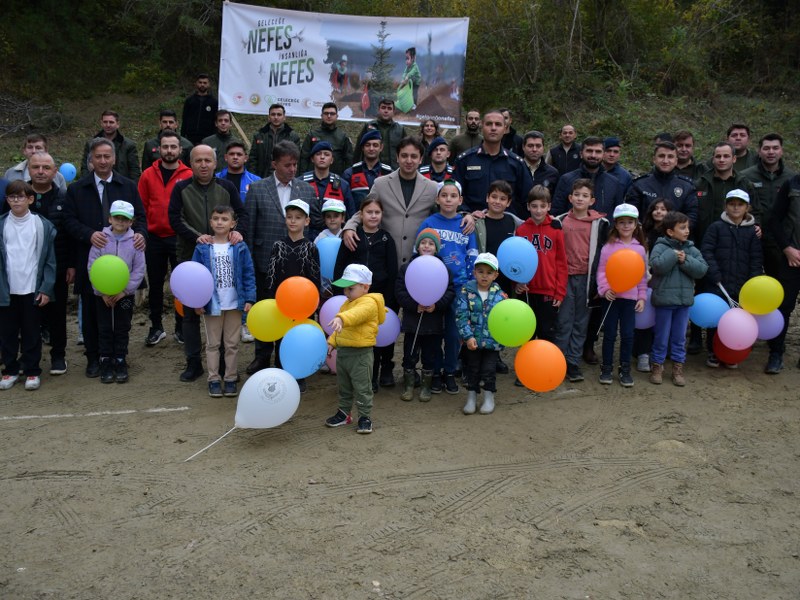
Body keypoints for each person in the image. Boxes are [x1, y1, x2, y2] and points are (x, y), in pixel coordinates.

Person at [64, 138, 147, 378]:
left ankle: (119, 358)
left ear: (114, 159)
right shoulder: (77, 189)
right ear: (90, 159)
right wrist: (89, 235)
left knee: (122, 321)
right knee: (92, 314)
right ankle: (95, 358)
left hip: (125, 265)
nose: (102, 161)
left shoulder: (128, 186)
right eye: (97, 157)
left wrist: (140, 235)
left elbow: (140, 217)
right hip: (91, 258)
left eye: (106, 156)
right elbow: (68, 221)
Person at [168, 145, 248, 382]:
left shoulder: (227, 187)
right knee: (191, 312)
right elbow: (174, 218)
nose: (203, 165)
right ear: (190, 163)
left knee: (222, 308)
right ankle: (193, 363)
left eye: (207, 160)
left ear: (215, 164)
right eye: (198, 160)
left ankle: (224, 364)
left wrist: (237, 233)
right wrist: (196, 236)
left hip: (224, 257)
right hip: (191, 257)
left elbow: (241, 214)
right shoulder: (181, 188)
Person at [242, 141, 319, 375]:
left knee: (295, 318)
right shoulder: (257, 189)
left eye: (295, 164)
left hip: (299, 271)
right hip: (267, 265)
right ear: (274, 164)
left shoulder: (306, 190)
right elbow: (250, 229)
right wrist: (253, 265)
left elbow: (313, 225)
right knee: (268, 311)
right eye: (287, 165)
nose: (292, 169)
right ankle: (262, 357)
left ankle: (290, 359)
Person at [417, 180, 478, 394]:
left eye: (453, 196)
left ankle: (450, 371)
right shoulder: (429, 224)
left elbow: (472, 255)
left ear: (460, 200)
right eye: (444, 195)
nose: (448, 199)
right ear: (437, 199)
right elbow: (419, 255)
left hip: (460, 287)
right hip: (434, 288)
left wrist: (472, 284)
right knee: (434, 333)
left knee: (454, 333)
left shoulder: (466, 224)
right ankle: (434, 372)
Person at [342, 137, 441, 268]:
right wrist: (350, 226)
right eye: (404, 156)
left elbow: (446, 212)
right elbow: (366, 209)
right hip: (386, 258)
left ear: (421, 159)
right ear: (397, 157)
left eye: (414, 156)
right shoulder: (381, 183)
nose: (409, 161)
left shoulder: (432, 187)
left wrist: (466, 215)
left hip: (418, 259)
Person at [333, 195, 398, 390]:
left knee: (381, 336)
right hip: (355, 298)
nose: (373, 216)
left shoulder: (387, 239)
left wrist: (389, 299)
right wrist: (340, 293)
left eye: (377, 212)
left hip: (378, 297)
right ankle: (366, 377)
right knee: (362, 337)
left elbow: (392, 270)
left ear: (382, 215)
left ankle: (384, 370)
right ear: (361, 214)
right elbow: (339, 266)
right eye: (369, 212)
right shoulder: (352, 236)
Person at [191, 205, 256, 397]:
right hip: (212, 304)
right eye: (216, 218)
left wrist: (250, 298)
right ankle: (213, 379)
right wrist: (197, 301)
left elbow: (248, 273)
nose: (220, 222)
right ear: (210, 222)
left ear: (233, 224)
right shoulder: (202, 248)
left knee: (232, 343)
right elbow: (194, 276)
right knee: (212, 344)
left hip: (235, 304)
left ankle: (230, 378)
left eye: (224, 219)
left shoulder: (239, 247)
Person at [137, 130, 193, 347]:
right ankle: (156, 326)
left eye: (173, 147)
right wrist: (141, 231)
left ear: (180, 149)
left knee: (181, 286)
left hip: (179, 238)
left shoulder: (188, 174)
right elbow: (141, 206)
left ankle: (181, 327)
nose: (169, 150)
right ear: (158, 149)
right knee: (156, 284)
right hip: (154, 238)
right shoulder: (147, 175)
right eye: (165, 146)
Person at [0, 181, 56, 391]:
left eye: (20, 196)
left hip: (31, 289)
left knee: (32, 332)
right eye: (11, 197)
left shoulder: (42, 226)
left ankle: (32, 371)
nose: (16, 201)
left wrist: (46, 288)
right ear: (7, 200)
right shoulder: (2, 224)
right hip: (6, 290)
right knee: (7, 333)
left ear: (30, 199)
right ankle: (10, 370)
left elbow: (50, 261)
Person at [20, 153, 73, 376]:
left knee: (57, 314)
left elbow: (70, 233)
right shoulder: (17, 197)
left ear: (54, 172)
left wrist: (72, 264)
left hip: (58, 267)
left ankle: (58, 355)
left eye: (46, 167)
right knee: (27, 315)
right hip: (24, 268)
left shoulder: (64, 198)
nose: (41, 171)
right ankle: (28, 357)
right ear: (29, 170)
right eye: (36, 167)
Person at [553, 179, 609, 382]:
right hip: (564, 278)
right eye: (577, 194)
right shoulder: (559, 221)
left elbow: (605, 254)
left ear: (592, 200)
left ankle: (573, 362)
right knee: (563, 321)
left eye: (585, 196)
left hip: (587, 280)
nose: (580, 198)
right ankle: (558, 362)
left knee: (581, 322)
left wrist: (600, 282)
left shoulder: (600, 224)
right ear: (570, 197)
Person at [700, 189, 762, 368]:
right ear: (726, 206)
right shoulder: (716, 227)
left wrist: (754, 281)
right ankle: (713, 351)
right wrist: (715, 273)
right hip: (718, 282)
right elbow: (707, 251)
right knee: (717, 318)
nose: (736, 208)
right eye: (732, 204)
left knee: (737, 320)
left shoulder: (752, 232)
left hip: (742, 284)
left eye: (740, 204)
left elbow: (756, 258)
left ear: (747, 207)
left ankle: (731, 353)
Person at [263, 199, 320, 391]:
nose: (293, 221)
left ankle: (300, 372)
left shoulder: (311, 247)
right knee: (282, 337)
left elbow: (315, 277)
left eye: (298, 217)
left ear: (307, 221)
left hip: (304, 304)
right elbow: (271, 274)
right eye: (289, 217)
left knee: (300, 337)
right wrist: (271, 298)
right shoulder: (278, 245)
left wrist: (314, 302)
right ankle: (281, 368)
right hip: (281, 303)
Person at [87, 200, 145, 384]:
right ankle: (105, 359)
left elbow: (139, 269)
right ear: (110, 218)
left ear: (131, 221)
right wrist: (101, 291)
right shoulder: (101, 240)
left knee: (122, 327)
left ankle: (120, 358)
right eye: (117, 218)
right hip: (101, 295)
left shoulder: (135, 242)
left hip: (124, 295)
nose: (120, 222)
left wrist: (125, 290)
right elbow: (92, 267)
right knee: (104, 327)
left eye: (125, 219)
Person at [324, 264, 387, 434]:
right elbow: (340, 329)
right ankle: (344, 413)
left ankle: (365, 417)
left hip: (361, 355)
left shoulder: (369, 303)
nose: (346, 292)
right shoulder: (346, 304)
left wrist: (341, 318)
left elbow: (356, 315)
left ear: (365, 287)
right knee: (344, 386)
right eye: (345, 289)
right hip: (344, 353)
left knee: (363, 388)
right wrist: (332, 342)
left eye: (350, 289)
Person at [648, 211, 708, 386]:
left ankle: (677, 367)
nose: (687, 231)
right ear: (670, 232)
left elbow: (702, 269)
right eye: (682, 228)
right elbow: (657, 266)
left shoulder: (691, 249)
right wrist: (673, 255)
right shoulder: (660, 247)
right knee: (661, 335)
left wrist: (686, 260)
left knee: (679, 337)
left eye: (687, 227)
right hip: (664, 301)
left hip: (683, 302)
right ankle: (657, 366)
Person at [395, 229, 455, 402]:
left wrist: (436, 306)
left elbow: (449, 293)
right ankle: (408, 385)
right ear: (417, 246)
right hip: (413, 322)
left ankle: (426, 386)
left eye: (430, 243)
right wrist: (415, 306)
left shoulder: (444, 270)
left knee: (431, 355)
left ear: (436, 248)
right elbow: (400, 292)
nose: (426, 246)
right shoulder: (407, 268)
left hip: (434, 323)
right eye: (423, 243)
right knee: (409, 354)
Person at [596, 203, 648, 386]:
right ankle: (607, 367)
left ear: (636, 225)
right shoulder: (608, 247)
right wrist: (604, 289)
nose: (626, 226)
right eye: (622, 222)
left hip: (630, 300)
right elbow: (601, 271)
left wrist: (642, 297)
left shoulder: (640, 249)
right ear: (616, 225)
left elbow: (642, 276)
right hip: (611, 299)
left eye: (630, 222)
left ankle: (625, 369)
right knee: (609, 334)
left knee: (627, 335)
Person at [514, 185, 567, 356]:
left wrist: (559, 292)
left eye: (543, 206)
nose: (538, 210)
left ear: (549, 207)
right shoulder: (521, 230)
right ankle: (525, 368)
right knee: (526, 332)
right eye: (534, 206)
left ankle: (544, 369)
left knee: (546, 332)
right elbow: (515, 261)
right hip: (527, 290)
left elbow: (561, 263)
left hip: (548, 290)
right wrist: (517, 283)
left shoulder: (556, 230)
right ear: (528, 206)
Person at [453, 109, 533, 215]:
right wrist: (466, 214)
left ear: (505, 129)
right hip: (471, 225)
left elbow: (528, 199)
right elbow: (455, 194)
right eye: (489, 124)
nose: (493, 128)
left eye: (498, 124)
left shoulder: (516, 164)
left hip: (506, 225)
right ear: (482, 126)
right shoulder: (464, 160)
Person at [455, 252, 508, 415]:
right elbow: (461, 315)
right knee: (472, 369)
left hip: (492, 343)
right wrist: (468, 336)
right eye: (481, 271)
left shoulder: (500, 295)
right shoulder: (466, 291)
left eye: (489, 272)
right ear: (474, 272)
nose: (484, 276)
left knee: (489, 370)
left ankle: (488, 397)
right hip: (472, 342)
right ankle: (471, 398)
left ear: (496, 275)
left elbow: (506, 319)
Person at [741, 133, 796, 277]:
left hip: (780, 241)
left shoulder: (792, 179)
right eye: (766, 148)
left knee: (779, 282)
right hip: (752, 237)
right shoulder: (745, 176)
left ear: (781, 151)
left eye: (775, 148)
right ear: (759, 151)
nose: (771, 152)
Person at [763, 174, 800, 374]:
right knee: (784, 307)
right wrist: (786, 248)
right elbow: (774, 219)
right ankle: (776, 353)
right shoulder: (792, 184)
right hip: (792, 258)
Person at [633, 198, 673, 372]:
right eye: (655, 208)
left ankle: (660, 352)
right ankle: (642, 352)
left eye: (663, 209)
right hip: (646, 281)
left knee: (662, 320)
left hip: (665, 282)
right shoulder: (643, 231)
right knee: (644, 318)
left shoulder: (673, 234)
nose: (659, 212)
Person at [626, 141, 698, 227]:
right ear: (654, 159)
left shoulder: (687, 187)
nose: (665, 160)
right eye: (661, 156)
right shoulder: (639, 185)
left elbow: (692, 217)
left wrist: (674, 233)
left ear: (676, 161)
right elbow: (630, 215)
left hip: (675, 238)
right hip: (644, 238)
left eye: (670, 157)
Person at [551, 136, 624, 217]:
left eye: (598, 152)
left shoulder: (613, 182)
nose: (593, 155)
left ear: (603, 155)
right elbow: (556, 212)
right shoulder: (566, 180)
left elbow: (618, 214)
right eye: (589, 151)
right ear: (581, 154)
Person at [474, 179, 523, 297]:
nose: (497, 201)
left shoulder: (513, 222)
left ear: (509, 202)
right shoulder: (477, 222)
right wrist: (468, 216)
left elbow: (533, 223)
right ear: (487, 198)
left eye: (502, 198)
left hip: (506, 280)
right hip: (483, 279)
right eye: (494, 197)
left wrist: (552, 219)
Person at [80, 110, 140, 180]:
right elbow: (85, 168)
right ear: (101, 123)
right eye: (105, 122)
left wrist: (131, 188)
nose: (108, 125)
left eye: (111, 122)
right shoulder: (91, 144)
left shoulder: (129, 145)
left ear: (118, 124)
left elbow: (134, 170)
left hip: (121, 186)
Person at [247, 104, 302, 178]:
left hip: (285, 177)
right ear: (269, 117)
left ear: (284, 117)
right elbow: (253, 158)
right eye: (273, 114)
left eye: (279, 114)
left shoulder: (293, 136)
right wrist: (252, 177)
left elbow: (297, 160)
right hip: (263, 177)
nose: (276, 117)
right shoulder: (259, 135)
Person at [299, 103, 354, 175]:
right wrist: (302, 177)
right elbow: (304, 158)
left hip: (336, 180)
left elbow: (349, 160)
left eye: (332, 114)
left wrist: (346, 178)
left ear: (337, 116)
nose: (329, 116)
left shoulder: (343, 136)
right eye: (326, 113)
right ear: (321, 116)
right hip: (313, 179)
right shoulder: (312, 135)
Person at [342, 130, 393, 208]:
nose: (371, 148)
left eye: (375, 145)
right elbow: (345, 203)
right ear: (362, 147)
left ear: (381, 147)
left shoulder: (389, 174)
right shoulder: (350, 173)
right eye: (368, 145)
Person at [303, 141, 355, 216]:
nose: (322, 157)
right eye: (318, 154)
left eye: (326, 154)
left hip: (333, 227)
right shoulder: (302, 182)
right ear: (312, 159)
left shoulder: (342, 185)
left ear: (332, 160)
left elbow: (351, 214)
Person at [353, 98, 407, 170]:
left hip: (393, 169)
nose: (386, 111)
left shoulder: (400, 129)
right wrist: (356, 168)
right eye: (383, 108)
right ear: (379, 110)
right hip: (371, 169)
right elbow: (359, 149)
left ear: (393, 111)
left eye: (389, 108)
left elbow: (406, 150)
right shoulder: (369, 126)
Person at [181, 73, 218, 146]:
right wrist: (182, 136)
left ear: (209, 84)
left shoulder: (214, 102)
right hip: (190, 137)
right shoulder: (190, 101)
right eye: (200, 82)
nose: (202, 85)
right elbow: (184, 119)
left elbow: (215, 121)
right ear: (196, 84)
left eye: (205, 83)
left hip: (207, 138)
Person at [521, 131, 560, 199]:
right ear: (523, 147)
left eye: (538, 146)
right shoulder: (515, 169)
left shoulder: (552, 173)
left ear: (543, 148)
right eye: (530, 146)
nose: (534, 149)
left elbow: (555, 199)